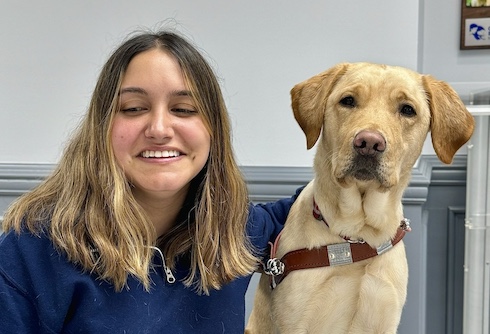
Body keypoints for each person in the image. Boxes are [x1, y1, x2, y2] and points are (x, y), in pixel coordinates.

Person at [0, 30, 301, 333]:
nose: (159, 129)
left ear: (214, 131)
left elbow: (329, 200)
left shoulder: (238, 230)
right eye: (133, 108)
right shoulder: (30, 250)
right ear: (102, 125)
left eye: (183, 110)